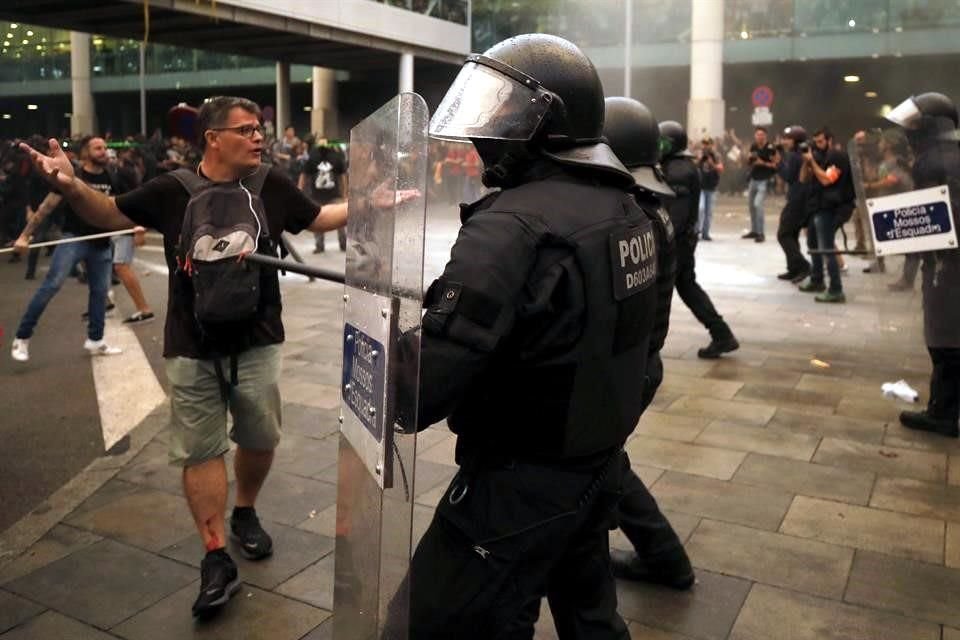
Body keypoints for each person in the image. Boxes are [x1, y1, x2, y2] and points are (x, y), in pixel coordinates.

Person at [20, 96, 352, 616]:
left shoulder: (270, 183)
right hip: (190, 343)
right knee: (200, 448)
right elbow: (108, 212)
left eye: (258, 128)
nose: (258, 137)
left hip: (259, 338)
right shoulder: (172, 188)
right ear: (213, 138)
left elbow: (318, 219)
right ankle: (216, 553)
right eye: (245, 129)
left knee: (259, 436)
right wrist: (69, 184)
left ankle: (245, 510)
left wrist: (373, 202)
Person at [399, 34, 662, 637]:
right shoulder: (627, 209)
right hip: (593, 462)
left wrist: (383, 355)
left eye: (502, 113)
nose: (482, 133)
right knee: (590, 615)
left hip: (519, 480)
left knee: (440, 620)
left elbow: (422, 386)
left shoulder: (512, 225)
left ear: (545, 121)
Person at [602, 96, 695, 590]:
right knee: (604, 461)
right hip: (641, 360)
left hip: (628, 365)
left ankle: (666, 557)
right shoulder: (650, 207)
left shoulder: (630, 213)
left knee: (602, 464)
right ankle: (662, 556)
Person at [10, 136, 124, 362]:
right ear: (85, 153)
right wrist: (24, 236)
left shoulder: (112, 176)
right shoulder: (73, 175)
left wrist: (135, 224)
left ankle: (96, 339)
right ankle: (22, 337)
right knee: (51, 285)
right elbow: (46, 208)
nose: (104, 151)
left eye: (104, 147)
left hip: (101, 243)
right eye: (97, 148)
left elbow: (118, 206)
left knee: (100, 293)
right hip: (74, 239)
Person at [887, 92, 960, 438]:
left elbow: (943, 215)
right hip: (947, 260)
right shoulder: (949, 155)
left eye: (914, 126)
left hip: (948, 264)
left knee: (944, 337)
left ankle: (943, 413)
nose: (908, 133)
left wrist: (903, 233)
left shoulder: (935, 161)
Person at [659, 120, 739, 359]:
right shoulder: (679, 165)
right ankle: (722, 334)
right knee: (688, 288)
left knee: (661, 294)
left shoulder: (679, 171)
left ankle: (648, 351)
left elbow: (677, 216)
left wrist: (664, 244)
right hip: (683, 243)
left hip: (677, 245)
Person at [797, 127, 855, 303]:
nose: (817, 145)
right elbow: (803, 179)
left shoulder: (837, 156)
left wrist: (812, 163)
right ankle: (817, 280)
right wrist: (806, 162)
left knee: (826, 248)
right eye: (815, 142)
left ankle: (836, 289)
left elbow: (827, 179)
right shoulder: (818, 156)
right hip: (818, 207)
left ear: (830, 140)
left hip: (833, 208)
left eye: (821, 141)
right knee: (813, 242)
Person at [775, 125, 811, 282]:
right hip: (800, 198)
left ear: (796, 141)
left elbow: (789, 176)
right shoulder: (799, 154)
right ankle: (793, 269)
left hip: (797, 199)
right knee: (792, 234)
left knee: (783, 234)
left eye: (787, 139)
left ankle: (803, 266)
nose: (784, 141)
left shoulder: (795, 157)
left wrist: (778, 164)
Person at [299, 137, 347, 253]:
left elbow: (342, 176)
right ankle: (319, 245)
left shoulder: (335, 157)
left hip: (334, 194)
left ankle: (344, 244)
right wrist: (300, 187)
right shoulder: (313, 157)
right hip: (317, 195)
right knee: (318, 220)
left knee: (341, 220)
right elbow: (304, 173)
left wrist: (345, 193)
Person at [743, 126, 778, 242]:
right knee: (751, 206)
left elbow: (775, 165)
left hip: (764, 180)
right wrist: (749, 159)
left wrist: (762, 163)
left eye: (761, 134)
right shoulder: (753, 146)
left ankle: (761, 233)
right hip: (753, 179)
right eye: (757, 134)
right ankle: (754, 230)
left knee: (758, 205)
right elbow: (749, 162)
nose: (759, 137)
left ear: (765, 136)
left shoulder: (771, 148)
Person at [696, 136, 723, 241]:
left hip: (711, 187)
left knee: (709, 212)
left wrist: (712, 164)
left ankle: (705, 233)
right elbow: (693, 166)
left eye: (708, 143)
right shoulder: (698, 153)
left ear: (712, 144)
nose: (706, 146)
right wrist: (700, 160)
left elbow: (720, 168)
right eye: (704, 143)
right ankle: (697, 231)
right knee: (700, 208)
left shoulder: (716, 155)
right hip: (700, 186)